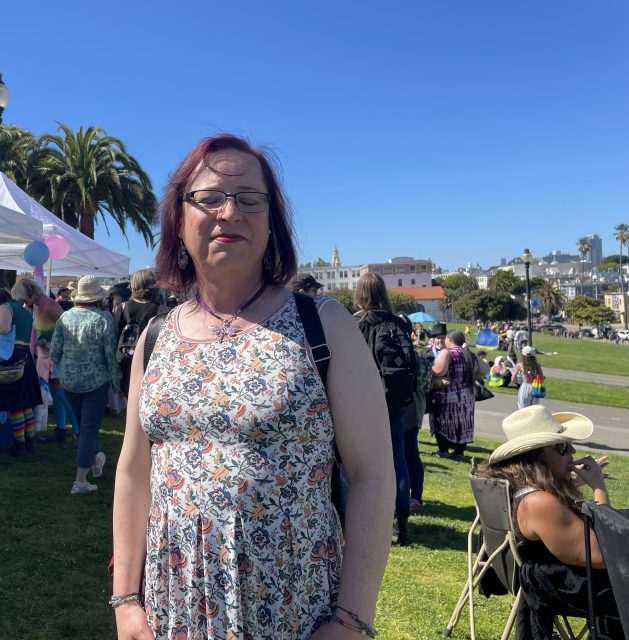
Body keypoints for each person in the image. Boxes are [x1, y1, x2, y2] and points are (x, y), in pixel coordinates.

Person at [112, 134, 394, 640]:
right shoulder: (156, 337)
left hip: (293, 611)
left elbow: (373, 475)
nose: (230, 212)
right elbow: (134, 470)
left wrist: (351, 619)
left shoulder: (324, 326)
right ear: (180, 216)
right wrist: (126, 603)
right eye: (210, 197)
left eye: (249, 199)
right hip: (171, 610)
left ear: (272, 221)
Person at [482, 406, 624, 640]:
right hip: (575, 587)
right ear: (536, 456)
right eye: (562, 447)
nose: (572, 450)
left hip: (559, 580)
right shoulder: (539, 502)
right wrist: (598, 487)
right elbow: (601, 555)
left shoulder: (524, 490)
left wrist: (567, 482)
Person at [353, 273, 421, 546]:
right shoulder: (398, 325)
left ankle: (361, 519)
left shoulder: (358, 324)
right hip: (395, 402)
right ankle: (400, 524)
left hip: (364, 403)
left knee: (360, 465)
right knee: (397, 464)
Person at [50, 275, 121, 494]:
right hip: (95, 381)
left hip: (70, 380)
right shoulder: (104, 319)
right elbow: (110, 355)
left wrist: (62, 369)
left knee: (83, 426)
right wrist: (117, 382)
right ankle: (80, 480)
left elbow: (55, 352)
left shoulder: (65, 317)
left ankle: (95, 458)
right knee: (88, 429)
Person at [10, 277, 78, 446]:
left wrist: (49, 342)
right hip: (50, 354)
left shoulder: (46, 305)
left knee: (61, 392)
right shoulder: (41, 304)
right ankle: (61, 430)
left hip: (57, 354)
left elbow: (67, 330)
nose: (22, 302)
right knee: (57, 393)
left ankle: (79, 432)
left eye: (22, 297)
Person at [0, 287, 43, 455]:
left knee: (15, 405)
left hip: (13, 356)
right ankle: (30, 441)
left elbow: (4, 329)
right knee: (25, 404)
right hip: (26, 357)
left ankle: (19, 444)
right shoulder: (25, 311)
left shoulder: (5, 306)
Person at [429, 329, 485, 459]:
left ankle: (443, 450)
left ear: (449, 340)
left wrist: (428, 367)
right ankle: (459, 452)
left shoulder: (447, 353)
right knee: (463, 423)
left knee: (444, 422)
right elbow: (485, 369)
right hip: (467, 397)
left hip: (447, 395)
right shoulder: (469, 354)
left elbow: (439, 370)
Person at [116, 269, 161, 397]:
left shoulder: (122, 307)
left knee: (129, 391)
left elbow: (116, 333)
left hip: (126, 355)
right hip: (148, 356)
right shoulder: (159, 309)